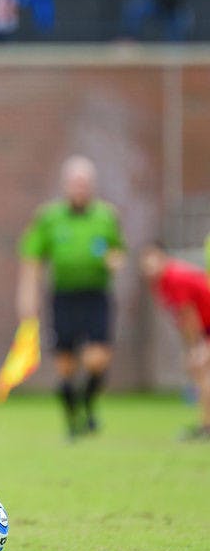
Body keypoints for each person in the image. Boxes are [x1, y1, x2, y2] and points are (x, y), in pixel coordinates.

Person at [16, 155, 125, 439]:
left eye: (85, 183)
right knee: (65, 365)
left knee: (96, 360)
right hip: (63, 297)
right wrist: (28, 297)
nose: (80, 188)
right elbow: (33, 259)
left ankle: (88, 403)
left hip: (96, 295)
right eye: (75, 182)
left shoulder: (106, 215)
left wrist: (115, 259)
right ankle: (73, 422)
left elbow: (118, 250)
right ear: (66, 185)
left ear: (92, 186)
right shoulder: (49, 217)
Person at [140, 243, 210, 440]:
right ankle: (206, 424)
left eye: (153, 259)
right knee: (200, 371)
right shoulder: (160, 282)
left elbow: (189, 315)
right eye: (145, 262)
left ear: (163, 257)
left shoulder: (175, 277)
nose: (149, 266)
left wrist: (196, 346)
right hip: (204, 329)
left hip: (206, 329)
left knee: (201, 367)